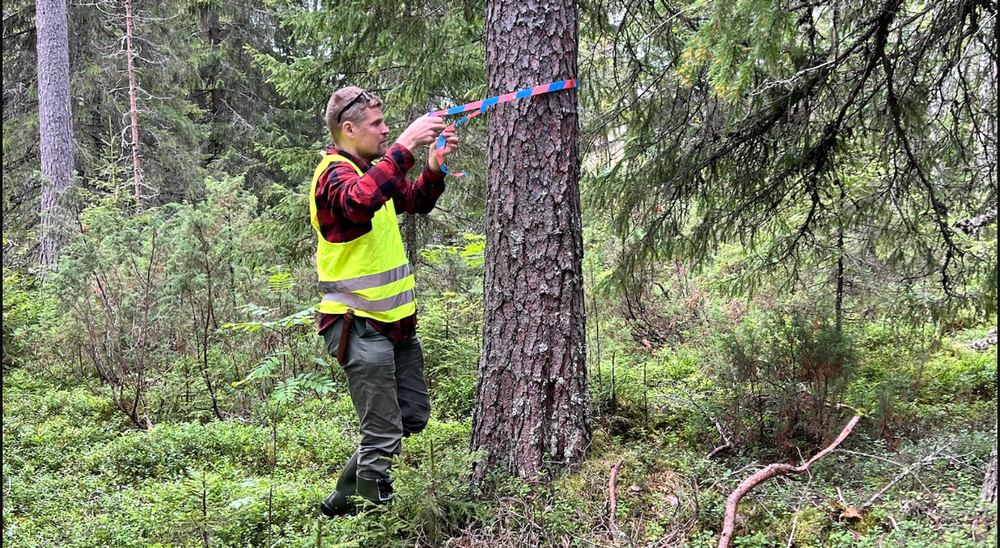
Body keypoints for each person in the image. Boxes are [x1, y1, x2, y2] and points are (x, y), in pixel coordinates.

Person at [309, 86, 458, 517]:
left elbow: (415, 201)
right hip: (356, 322)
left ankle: (341, 498)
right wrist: (406, 143)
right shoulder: (333, 175)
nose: (386, 129)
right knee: (382, 429)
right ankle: (377, 517)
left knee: (411, 416)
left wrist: (432, 165)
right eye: (377, 124)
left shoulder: (373, 172)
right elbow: (358, 203)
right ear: (349, 129)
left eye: (386, 123)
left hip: (396, 322)